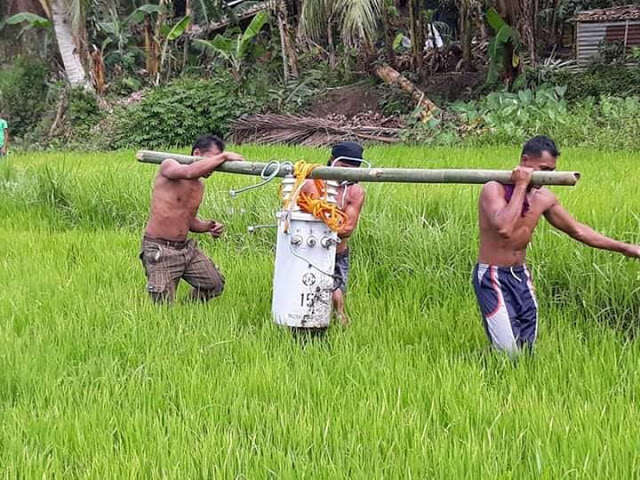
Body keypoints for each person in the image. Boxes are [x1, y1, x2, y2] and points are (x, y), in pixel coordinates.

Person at [473, 135, 640, 355]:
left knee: (527, 349)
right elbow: (504, 227)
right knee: (508, 353)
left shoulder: (544, 197)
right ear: (525, 161)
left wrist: (627, 248)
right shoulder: (494, 189)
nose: (547, 176)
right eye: (543, 168)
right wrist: (522, 184)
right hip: (493, 276)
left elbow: (578, 230)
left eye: (551, 171)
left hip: (520, 274)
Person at [140, 134, 244, 303]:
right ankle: (170, 322)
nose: (215, 165)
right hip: (159, 247)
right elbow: (187, 172)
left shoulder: (199, 186)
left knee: (214, 283)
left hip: (185, 249)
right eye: (213, 159)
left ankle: (187, 310)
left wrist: (209, 226)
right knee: (162, 304)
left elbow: (188, 220)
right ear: (196, 154)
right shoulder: (169, 165)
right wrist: (223, 156)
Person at [301, 141, 366, 325]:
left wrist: (327, 221)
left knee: (336, 294)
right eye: (343, 167)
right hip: (307, 249)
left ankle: (340, 321)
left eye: (353, 169)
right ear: (332, 161)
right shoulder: (311, 182)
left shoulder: (355, 191)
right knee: (304, 292)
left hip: (336, 253)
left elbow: (348, 229)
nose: (346, 173)